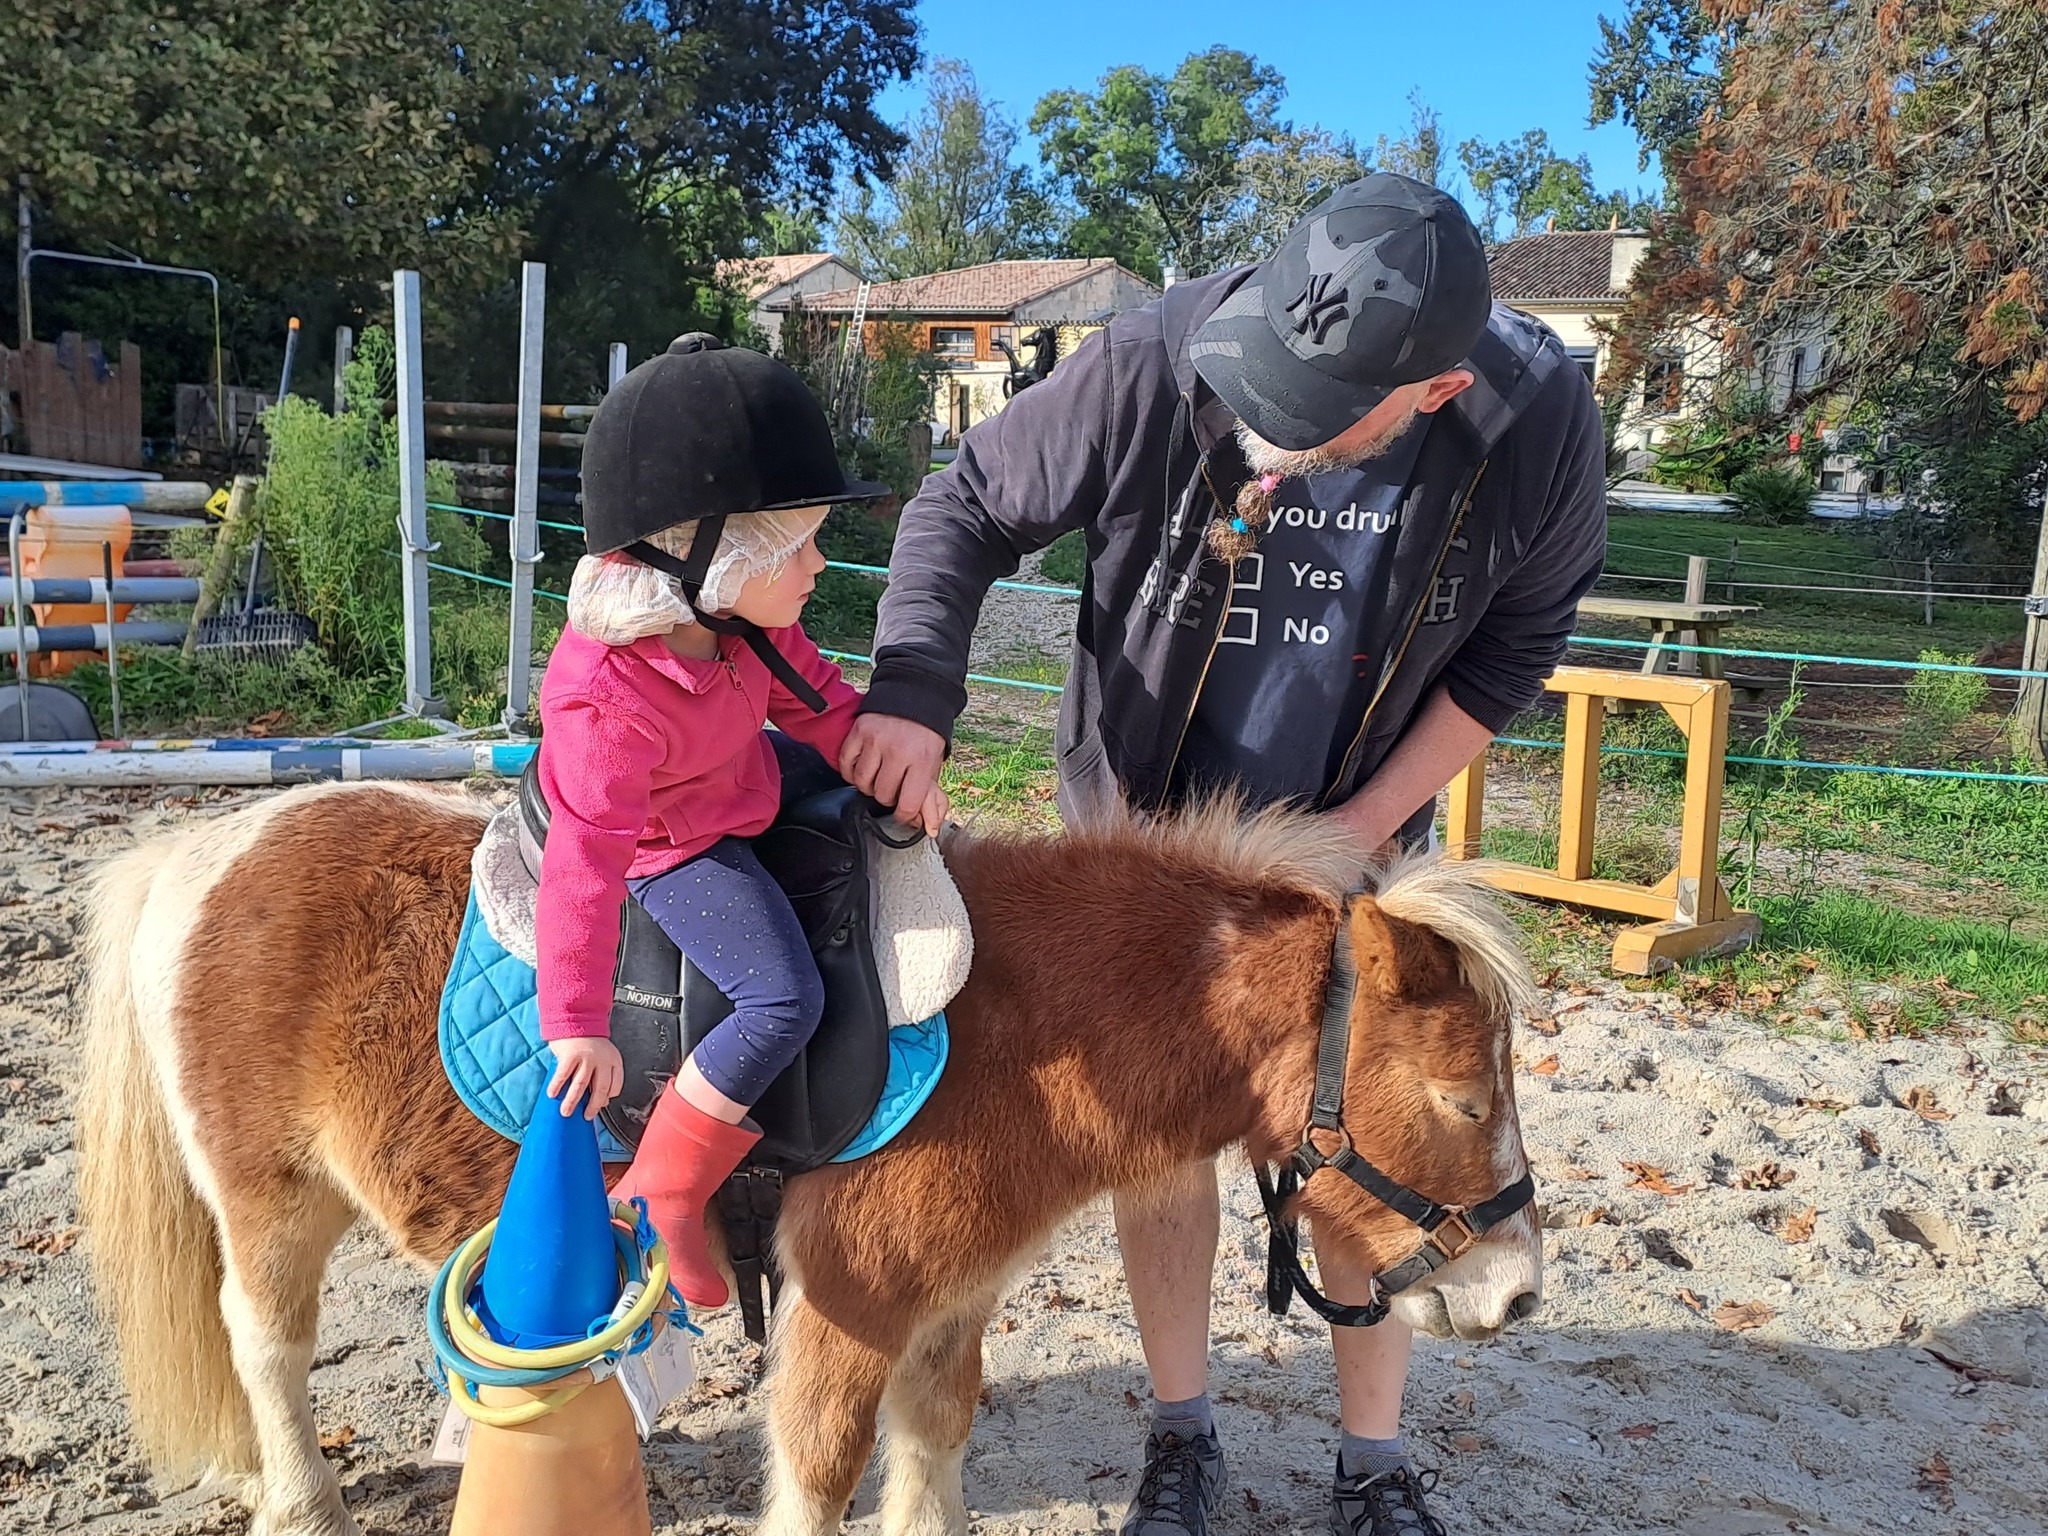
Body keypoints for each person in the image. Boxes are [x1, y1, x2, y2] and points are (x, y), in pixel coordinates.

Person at [840, 174, 1607, 1535]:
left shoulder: (1532, 421)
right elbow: (961, 508)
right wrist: (911, 692)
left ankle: (1371, 1456)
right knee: (1156, 1144)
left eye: (1312, 412)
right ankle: (1182, 1431)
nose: (1263, 418)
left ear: (1430, 392)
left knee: (1362, 1127)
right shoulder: (1153, 357)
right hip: (1141, 837)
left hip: (1351, 828)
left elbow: (1513, 649)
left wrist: (1359, 837)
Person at [534, 334, 946, 1309]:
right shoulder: (606, 706)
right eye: (793, 545)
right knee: (779, 999)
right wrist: (576, 1025)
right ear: (701, 558)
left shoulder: (740, 622)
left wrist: (883, 763)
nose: (814, 565)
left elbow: (817, 702)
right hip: (669, 841)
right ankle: (667, 1182)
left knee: (857, 813)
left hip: (734, 773)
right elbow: (584, 866)